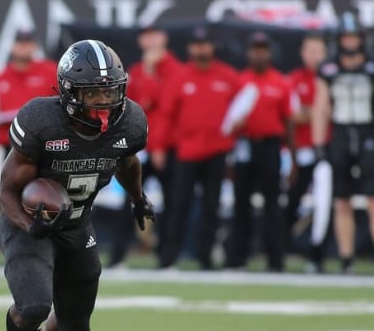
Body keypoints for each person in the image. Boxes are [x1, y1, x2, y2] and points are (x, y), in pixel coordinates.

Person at [0, 40, 155, 331]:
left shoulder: (129, 122)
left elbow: (127, 162)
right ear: (69, 92)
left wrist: (138, 198)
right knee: (33, 306)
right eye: (94, 92)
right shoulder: (41, 121)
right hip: (32, 220)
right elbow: (7, 190)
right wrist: (28, 224)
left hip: (78, 224)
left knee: (73, 327)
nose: (104, 100)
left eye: (110, 90)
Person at [312, 12, 374, 276]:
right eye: (345, 37)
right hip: (341, 134)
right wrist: (318, 143)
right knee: (342, 200)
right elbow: (320, 107)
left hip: (367, 133)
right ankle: (346, 258)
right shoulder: (328, 67)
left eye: (353, 37)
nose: (349, 42)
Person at [156, 27, 240, 269]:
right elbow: (166, 115)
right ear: (190, 48)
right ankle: (169, 256)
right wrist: (160, 146)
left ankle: (205, 257)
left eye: (205, 44)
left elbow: (242, 106)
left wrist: (237, 127)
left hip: (218, 151)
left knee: (212, 206)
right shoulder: (180, 77)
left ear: (212, 47)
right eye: (197, 44)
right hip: (187, 152)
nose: (201, 49)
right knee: (179, 204)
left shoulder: (227, 76)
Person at [107, 25, 182, 267]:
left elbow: (166, 107)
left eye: (155, 35)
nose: (151, 41)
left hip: (166, 147)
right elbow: (134, 105)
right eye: (146, 36)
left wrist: (159, 145)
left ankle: (167, 258)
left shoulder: (175, 70)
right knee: (129, 200)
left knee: (172, 203)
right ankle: (118, 256)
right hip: (139, 147)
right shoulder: (137, 71)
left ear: (164, 38)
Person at [226, 31, 295, 272]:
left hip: (270, 146)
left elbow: (289, 122)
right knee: (241, 203)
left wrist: (292, 159)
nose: (258, 54)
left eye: (263, 49)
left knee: (272, 203)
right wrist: (229, 156)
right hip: (245, 144)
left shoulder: (281, 82)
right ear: (248, 53)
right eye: (254, 49)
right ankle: (237, 257)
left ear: (270, 53)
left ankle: (275, 259)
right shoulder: (240, 81)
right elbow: (229, 120)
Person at [286, 32, 330, 273]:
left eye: (318, 51)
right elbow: (293, 115)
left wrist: (312, 112)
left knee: (325, 203)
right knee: (291, 202)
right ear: (302, 53)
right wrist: (319, 111)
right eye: (309, 50)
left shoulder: (332, 77)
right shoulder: (294, 79)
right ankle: (284, 249)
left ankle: (318, 253)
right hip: (299, 152)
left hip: (326, 151)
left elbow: (330, 113)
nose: (313, 56)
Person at [0, 30, 57, 155]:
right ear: (12, 46)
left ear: (35, 46)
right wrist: (10, 117)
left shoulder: (51, 71)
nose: (23, 48)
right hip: (11, 143)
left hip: (44, 140)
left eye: (27, 43)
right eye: (20, 43)